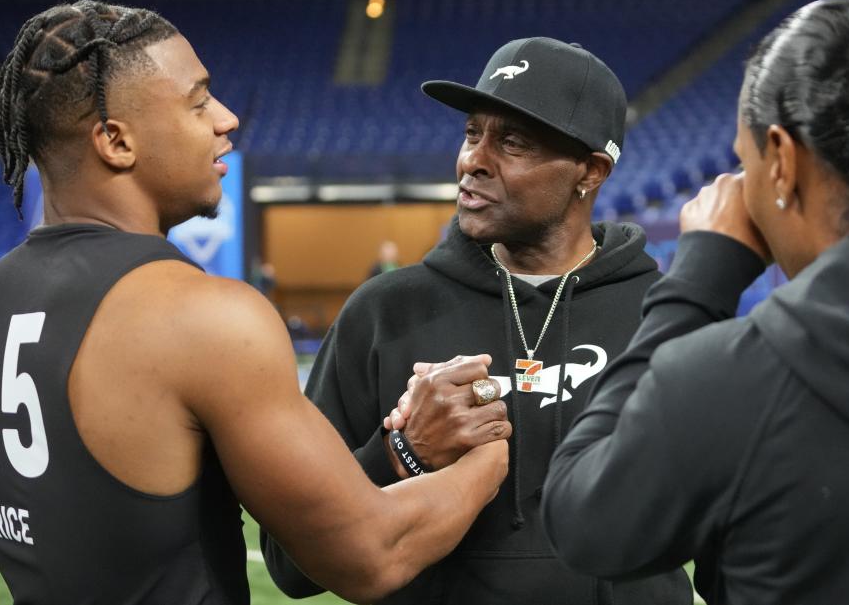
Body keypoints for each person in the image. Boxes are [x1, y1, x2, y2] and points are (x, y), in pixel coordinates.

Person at [0, 0, 510, 605]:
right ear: (115, 141)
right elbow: (371, 555)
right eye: (198, 101)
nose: (227, 119)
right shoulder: (202, 317)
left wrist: (406, 452)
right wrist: (492, 455)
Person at [263, 37, 691, 604]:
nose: (472, 160)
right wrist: (404, 454)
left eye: (511, 142)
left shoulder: (665, 319)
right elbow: (290, 565)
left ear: (590, 171)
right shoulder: (383, 313)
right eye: (472, 134)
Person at [542, 0, 849, 605]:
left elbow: (584, 518)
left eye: (746, 164)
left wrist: (700, 278)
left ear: (783, 163)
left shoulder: (742, 379)